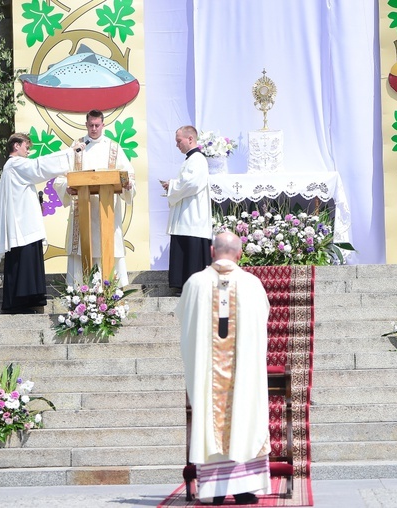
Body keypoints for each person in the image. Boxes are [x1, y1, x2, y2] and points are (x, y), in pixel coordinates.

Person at [176, 232, 271, 505]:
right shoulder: (252, 284)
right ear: (240, 254)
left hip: (209, 379)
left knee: (209, 417)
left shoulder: (195, 284)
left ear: (211, 251)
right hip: (243, 378)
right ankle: (245, 488)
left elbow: (184, 320)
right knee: (245, 415)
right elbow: (263, 318)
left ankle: (214, 491)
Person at [0, 133, 85, 314]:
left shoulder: (11, 168)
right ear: (16, 146)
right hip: (22, 226)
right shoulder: (15, 164)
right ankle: (20, 303)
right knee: (24, 262)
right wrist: (71, 152)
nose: (28, 152)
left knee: (24, 262)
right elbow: (39, 167)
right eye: (26, 148)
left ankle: (26, 300)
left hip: (23, 222)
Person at [54, 109, 135, 287]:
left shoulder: (113, 148)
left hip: (106, 209)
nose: (94, 128)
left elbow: (128, 175)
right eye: (91, 125)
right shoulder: (77, 147)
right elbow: (60, 177)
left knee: (107, 246)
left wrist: (128, 184)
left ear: (103, 125)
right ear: (86, 124)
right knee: (84, 247)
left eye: (97, 125)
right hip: (83, 209)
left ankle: (110, 292)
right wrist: (67, 189)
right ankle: (81, 292)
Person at [160, 125, 213, 295]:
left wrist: (172, 185)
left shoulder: (198, 159)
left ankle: (191, 286)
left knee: (191, 248)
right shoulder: (190, 160)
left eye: (179, 141)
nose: (177, 145)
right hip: (186, 215)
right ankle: (182, 285)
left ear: (190, 139)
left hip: (192, 216)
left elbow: (192, 184)